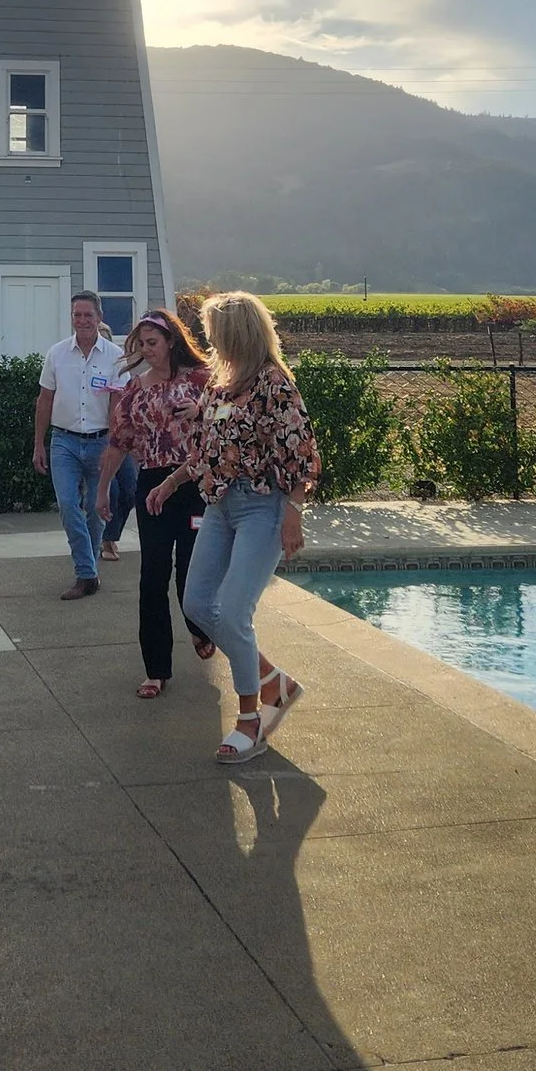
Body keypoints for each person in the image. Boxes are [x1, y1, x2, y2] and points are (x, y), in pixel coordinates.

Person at [180, 293, 318, 765]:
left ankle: (249, 719)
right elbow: (203, 447)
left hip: (261, 508)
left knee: (235, 612)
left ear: (235, 332)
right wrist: (170, 485)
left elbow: (302, 453)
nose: (208, 338)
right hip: (220, 507)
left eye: (214, 330)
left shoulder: (273, 384)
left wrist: (293, 514)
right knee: (197, 602)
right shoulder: (218, 384)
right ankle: (274, 683)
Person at [100, 312, 215, 698]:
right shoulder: (134, 390)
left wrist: (199, 411)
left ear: (170, 341)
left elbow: (226, 422)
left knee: (190, 573)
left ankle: (200, 627)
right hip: (152, 485)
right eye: (141, 344)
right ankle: (156, 670)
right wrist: (103, 492)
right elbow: (118, 441)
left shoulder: (201, 380)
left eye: (153, 342)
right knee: (152, 577)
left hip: (195, 484)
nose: (147, 350)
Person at [34, 291, 126, 599]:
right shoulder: (57, 354)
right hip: (64, 442)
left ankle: (90, 571)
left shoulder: (115, 356)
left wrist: (115, 445)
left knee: (96, 509)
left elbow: (118, 404)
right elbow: (44, 400)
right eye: (77, 315)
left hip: (101, 441)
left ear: (99, 318)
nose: (83, 320)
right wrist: (38, 444)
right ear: (71, 318)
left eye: (88, 315)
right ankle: (86, 572)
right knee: (68, 506)